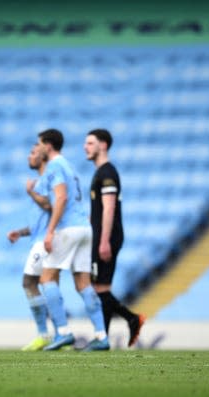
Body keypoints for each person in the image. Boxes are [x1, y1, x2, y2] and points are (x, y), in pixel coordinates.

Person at [36, 128, 110, 352]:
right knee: (83, 283)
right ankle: (101, 335)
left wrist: (50, 231)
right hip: (84, 229)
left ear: (48, 146)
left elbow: (61, 197)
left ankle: (63, 332)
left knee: (47, 278)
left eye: (39, 144)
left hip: (68, 228)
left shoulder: (55, 166)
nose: (38, 148)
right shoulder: (69, 166)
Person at [84, 129, 146, 347]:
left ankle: (124, 324)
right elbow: (99, 210)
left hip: (107, 236)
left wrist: (103, 241)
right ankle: (105, 337)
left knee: (99, 289)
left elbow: (109, 208)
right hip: (101, 234)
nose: (86, 147)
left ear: (103, 145)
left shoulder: (108, 173)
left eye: (90, 143)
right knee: (100, 289)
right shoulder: (101, 172)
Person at [7, 145, 51, 351]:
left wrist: (31, 193)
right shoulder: (43, 181)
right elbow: (40, 221)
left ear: (44, 155)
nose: (29, 156)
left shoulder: (48, 180)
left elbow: (52, 206)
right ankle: (56, 332)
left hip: (46, 241)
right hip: (40, 238)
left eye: (33, 153)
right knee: (40, 283)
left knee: (30, 283)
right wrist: (21, 232)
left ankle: (47, 333)